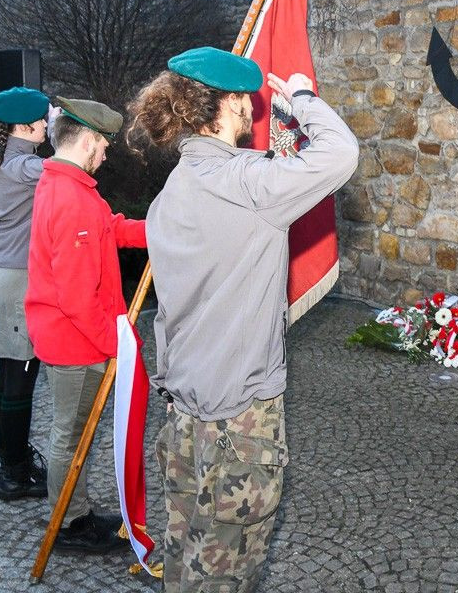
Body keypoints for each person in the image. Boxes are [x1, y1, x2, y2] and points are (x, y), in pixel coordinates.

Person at [127, 47, 358, 592]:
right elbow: (341, 153)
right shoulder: (249, 184)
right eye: (245, 101)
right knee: (226, 569)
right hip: (239, 418)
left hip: (183, 411)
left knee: (186, 556)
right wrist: (302, 97)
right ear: (228, 104)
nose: (251, 111)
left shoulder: (169, 194)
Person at [25, 96, 147, 554]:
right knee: (69, 435)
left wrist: (156, 230)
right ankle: (70, 525)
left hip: (76, 337)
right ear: (91, 139)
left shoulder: (68, 185)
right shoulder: (71, 196)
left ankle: (73, 510)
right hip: (77, 342)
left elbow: (109, 229)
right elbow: (76, 298)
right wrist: (113, 345)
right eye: (105, 144)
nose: (107, 153)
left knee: (73, 433)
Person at [0, 87, 51, 501]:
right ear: (25, 125)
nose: (47, 124)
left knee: (10, 378)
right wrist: (66, 134)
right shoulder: (24, 165)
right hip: (18, 282)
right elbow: (76, 171)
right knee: (20, 381)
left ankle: (14, 461)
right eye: (43, 119)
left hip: (2, 277)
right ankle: (13, 473)